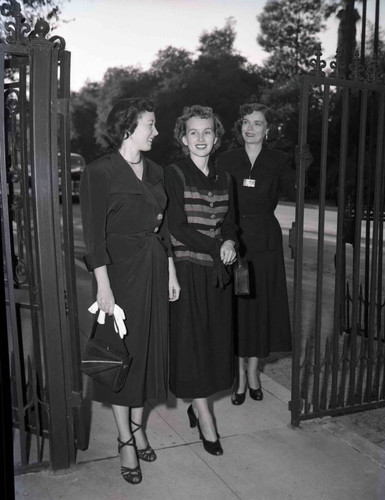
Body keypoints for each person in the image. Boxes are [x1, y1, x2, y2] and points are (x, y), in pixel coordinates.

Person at [80, 98, 180, 485]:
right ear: (127, 127)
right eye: (149, 125)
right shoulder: (99, 171)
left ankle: (138, 427)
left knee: (148, 350)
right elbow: (93, 236)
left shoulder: (156, 170)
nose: (155, 132)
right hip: (118, 274)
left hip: (154, 267)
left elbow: (165, 228)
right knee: (122, 353)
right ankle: (125, 440)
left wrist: (170, 271)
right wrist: (103, 287)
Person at [164, 105, 237, 456]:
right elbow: (176, 226)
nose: (200, 138)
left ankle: (198, 404)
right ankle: (205, 419)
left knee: (212, 344)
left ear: (217, 137)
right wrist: (216, 244)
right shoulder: (174, 174)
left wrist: (231, 243)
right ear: (183, 138)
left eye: (207, 131)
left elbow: (232, 224)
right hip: (188, 269)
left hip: (217, 274)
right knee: (192, 345)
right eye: (193, 132)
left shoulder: (226, 179)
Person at [218, 102, 297, 406]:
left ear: (268, 129)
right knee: (237, 309)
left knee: (259, 307)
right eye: (247, 123)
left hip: (265, 242)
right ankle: (238, 375)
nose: (251, 128)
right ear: (240, 128)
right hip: (234, 240)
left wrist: (302, 168)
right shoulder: (225, 159)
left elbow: (297, 190)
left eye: (258, 123)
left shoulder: (278, 160)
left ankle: (253, 372)